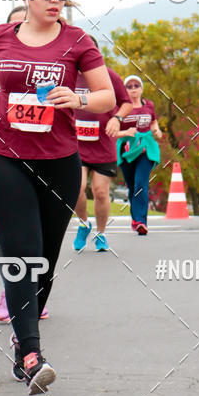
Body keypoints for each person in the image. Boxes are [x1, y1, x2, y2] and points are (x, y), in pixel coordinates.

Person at [0, 0, 114, 395]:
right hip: (4, 159)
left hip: (59, 162)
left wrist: (78, 98)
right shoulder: (0, 37)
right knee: (23, 253)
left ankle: (21, 343)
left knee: (45, 261)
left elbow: (105, 96)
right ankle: (32, 355)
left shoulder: (78, 41)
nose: (55, 1)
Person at [0, 4, 49, 323]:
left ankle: (34, 291)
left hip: (45, 159)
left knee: (38, 233)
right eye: (15, 27)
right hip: (4, 160)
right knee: (4, 234)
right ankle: (9, 290)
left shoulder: (51, 68)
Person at [73, 37, 133, 252]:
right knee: (76, 187)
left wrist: (117, 119)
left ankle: (101, 233)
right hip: (76, 145)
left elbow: (127, 103)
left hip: (103, 145)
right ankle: (83, 223)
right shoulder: (69, 76)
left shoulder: (109, 76)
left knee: (99, 191)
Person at [115, 75, 162, 235]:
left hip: (145, 149)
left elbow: (153, 121)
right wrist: (125, 133)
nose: (133, 89)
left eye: (136, 86)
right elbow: (112, 130)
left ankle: (141, 221)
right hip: (127, 149)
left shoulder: (149, 105)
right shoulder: (120, 108)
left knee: (141, 184)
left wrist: (156, 130)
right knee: (132, 186)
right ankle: (136, 219)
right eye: (129, 86)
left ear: (141, 88)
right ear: (124, 90)